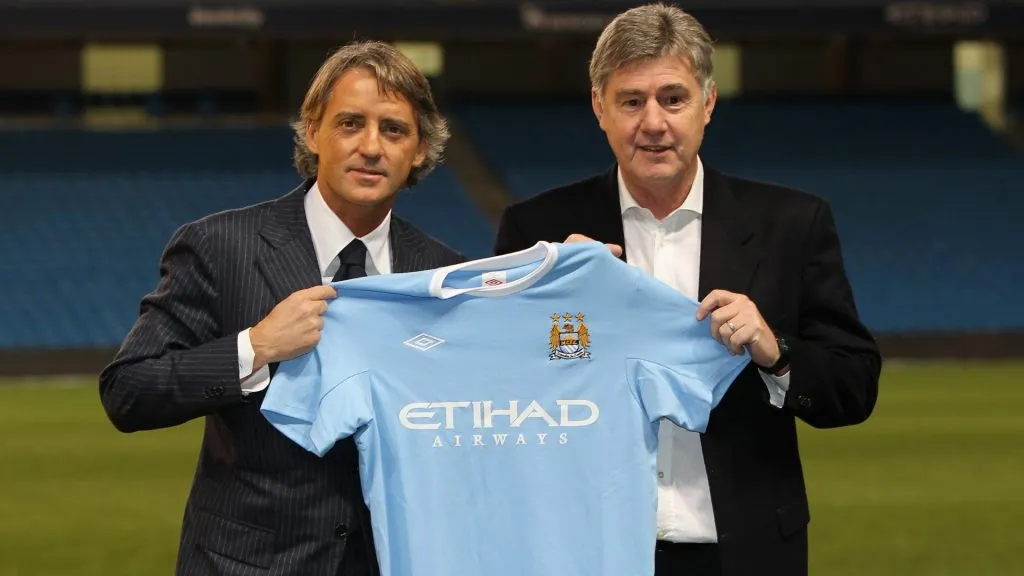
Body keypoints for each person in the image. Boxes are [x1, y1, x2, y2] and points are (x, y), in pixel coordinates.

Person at [493, 4, 882, 576]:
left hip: (746, 552)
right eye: (631, 101)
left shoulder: (791, 224)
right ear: (599, 108)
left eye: (672, 98)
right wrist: (551, 305)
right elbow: (497, 400)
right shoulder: (538, 234)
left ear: (709, 104)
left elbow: (854, 387)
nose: (653, 122)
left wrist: (775, 353)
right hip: (590, 551)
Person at [99, 40, 464, 575]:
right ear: (313, 131)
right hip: (245, 565)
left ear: (418, 150)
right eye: (349, 123)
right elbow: (127, 391)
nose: (371, 146)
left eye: (393, 129)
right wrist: (256, 347)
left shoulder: (446, 275)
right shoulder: (219, 246)